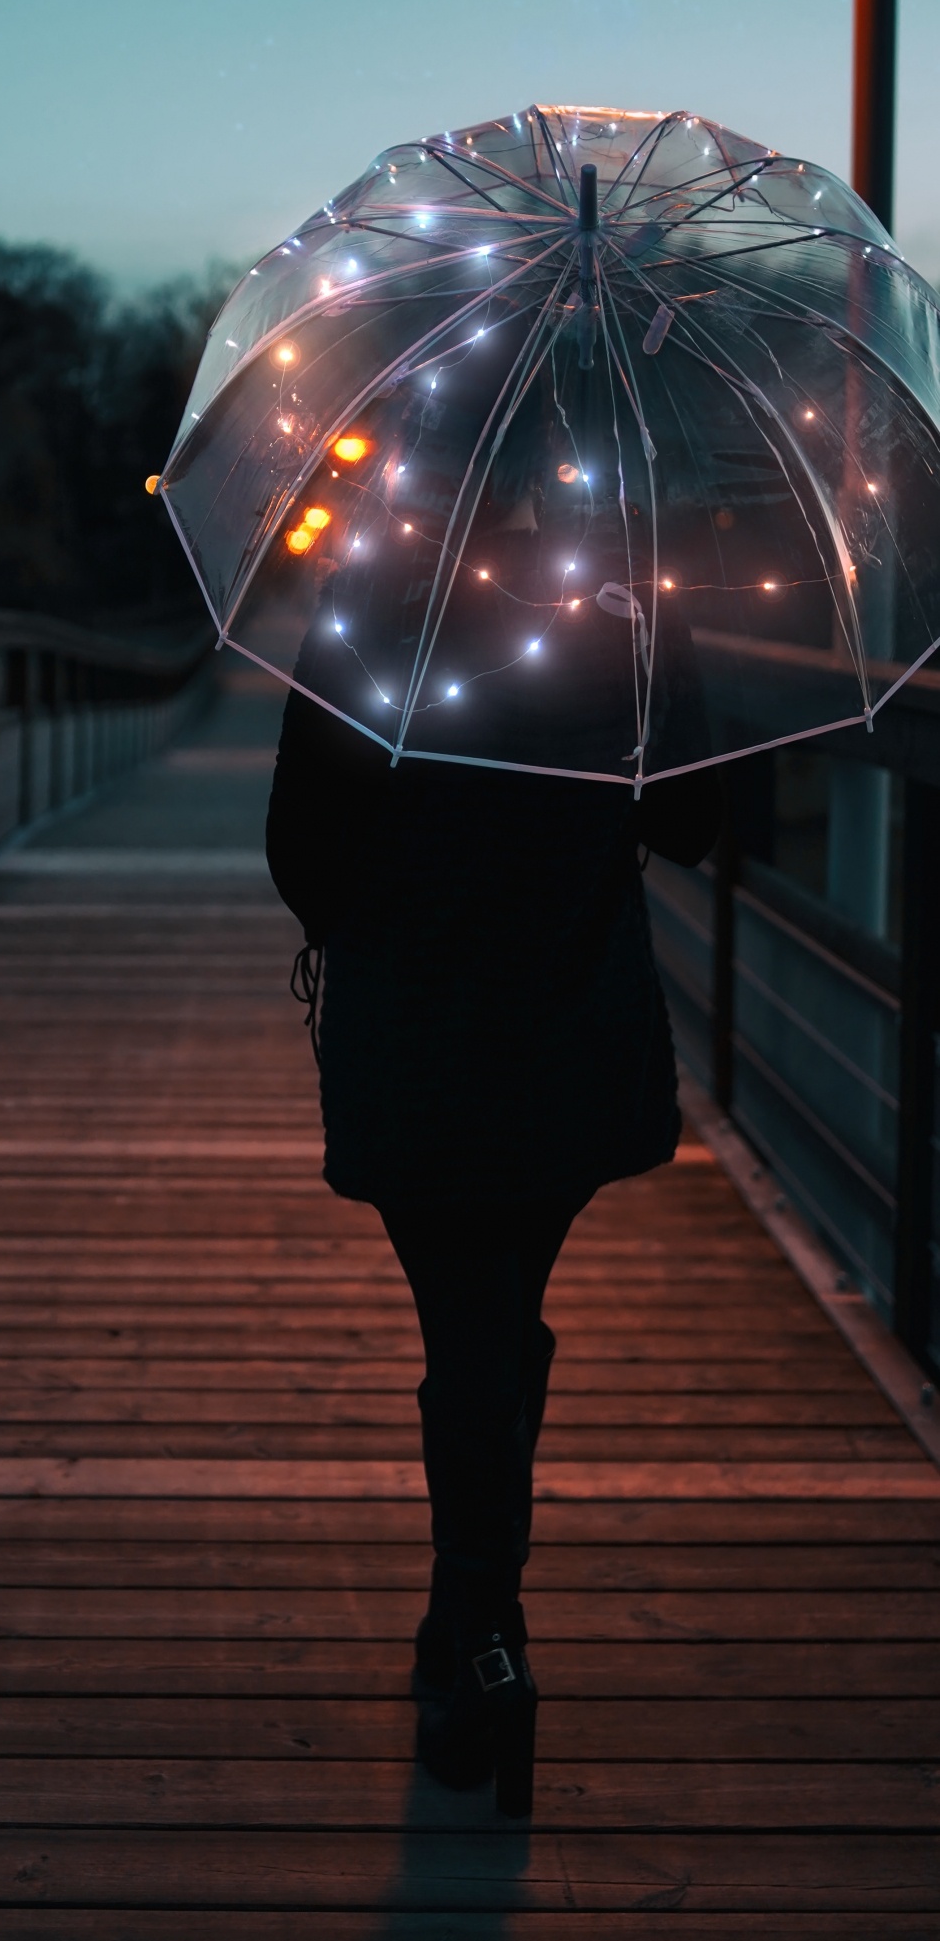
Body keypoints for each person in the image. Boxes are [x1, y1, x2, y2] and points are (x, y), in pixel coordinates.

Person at [265, 579, 721, 1818]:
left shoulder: (372, 601)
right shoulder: (629, 600)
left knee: (470, 1323)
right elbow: (693, 820)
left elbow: (299, 849)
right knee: (497, 1316)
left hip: (419, 1040)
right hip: (567, 1037)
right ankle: (475, 1619)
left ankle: (478, 1633)